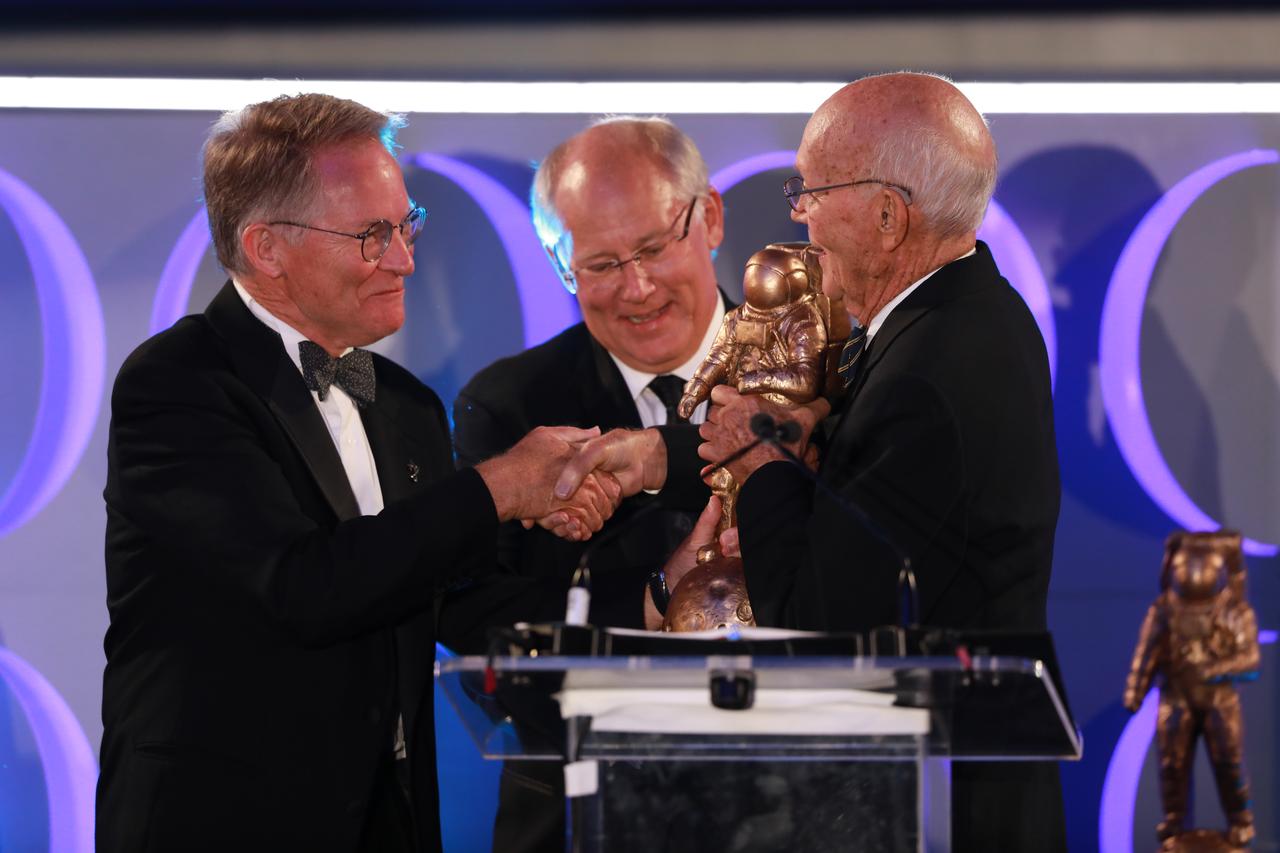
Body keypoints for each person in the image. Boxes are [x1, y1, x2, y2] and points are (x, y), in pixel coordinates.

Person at [555, 72, 1066, 850]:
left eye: (812, 191)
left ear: (888, 216)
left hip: (939, 810)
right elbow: (849, 475)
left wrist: (762, 465)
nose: (799, 215)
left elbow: (821, 620)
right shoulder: (956, 320)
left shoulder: (929, 371)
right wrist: (680, 454)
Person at [97, 93, 618, 853]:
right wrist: (500, 487)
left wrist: (654, 595)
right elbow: (302, 586)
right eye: (374, 236)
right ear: (267, 248)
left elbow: (452, 600)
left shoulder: (403, 402)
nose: (405, 259)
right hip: (223, 825)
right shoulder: (178, 385)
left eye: (407, 225)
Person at [446, 116, 729, 853]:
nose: (638, 288)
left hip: (800, 802)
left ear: (710, 217)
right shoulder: (510, 406)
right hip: (576, 814)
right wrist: (651, 597)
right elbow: (479, 618)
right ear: (559, 264)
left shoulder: (814, 377)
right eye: (601, 265)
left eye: (653, 248)